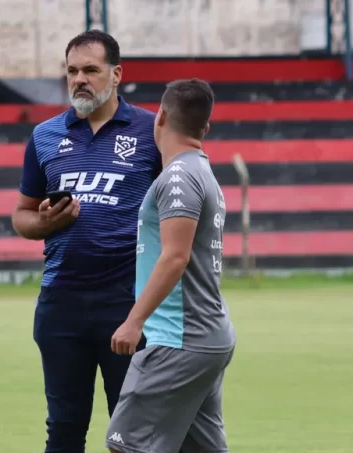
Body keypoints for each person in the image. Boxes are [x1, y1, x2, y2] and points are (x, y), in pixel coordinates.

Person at [11, 29, 162, 453]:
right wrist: (45, 224)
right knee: (63, 428)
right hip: (61, 301)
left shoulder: (153, 130)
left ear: (116, 74)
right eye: (72, 70)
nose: (80, 79)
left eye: (91, 70)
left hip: (127, 301)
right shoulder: (44, 135)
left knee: (130, 432)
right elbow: (22, 215)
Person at [105, 78, 237, 453]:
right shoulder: (201, 171)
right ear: (205, 128)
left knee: (125, 445)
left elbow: (175, 256)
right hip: (207, 337)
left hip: (180, 340)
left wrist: (134, 321)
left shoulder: (179, 176)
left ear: (159, 116)